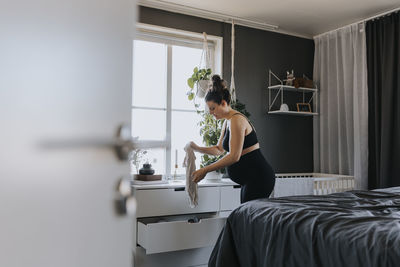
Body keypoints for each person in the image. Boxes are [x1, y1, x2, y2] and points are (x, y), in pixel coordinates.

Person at [190, 75, 275, 203]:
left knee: (247, 218)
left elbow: (234, 156)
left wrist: (205, 170)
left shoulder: (236, 120)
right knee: (244, 217)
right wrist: (196, 148)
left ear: (223, 103)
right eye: (209, 109)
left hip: (258, 177)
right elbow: (219, 149)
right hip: (249, 179)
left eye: (213, 108)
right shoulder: (227, 122)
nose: (211, 113)